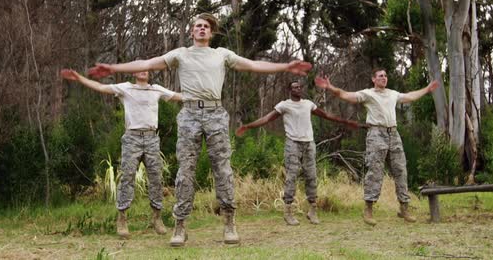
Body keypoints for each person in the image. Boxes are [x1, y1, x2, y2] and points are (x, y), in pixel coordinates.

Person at [88, 13, 312, 246]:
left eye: (206, 26)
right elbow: (147, 63)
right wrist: (112, 67)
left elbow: (254, 65)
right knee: (185, 171)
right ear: (192, 31)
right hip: (189, 115)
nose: (202, 29)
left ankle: (229, 224)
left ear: (211, 32)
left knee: (222, 169)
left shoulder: (221, 54)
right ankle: (180, 226)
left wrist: (286, 65)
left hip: (215, 114)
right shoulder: (181, 54)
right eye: (198, 26)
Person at [60, 69, 182, 239]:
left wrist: (204, 92)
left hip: (152, 138)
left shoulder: (156, 90)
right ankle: (122, 219)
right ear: (134, 72)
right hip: (132, 139)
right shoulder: (125, 88)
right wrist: (79, 78)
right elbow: (101, 87)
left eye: (145, 68)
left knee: (156, 179)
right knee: (127, 178)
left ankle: (157, 218)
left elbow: (179, 96)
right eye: (138, 68)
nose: (142, 71)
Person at [315, 69, 439, 226]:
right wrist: (330, 87)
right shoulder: (368, 94)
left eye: (386, 76)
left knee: (401, 170)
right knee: (375, 171)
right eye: (380, 76)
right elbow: (346, 95)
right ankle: (368, 210)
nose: (384, 78)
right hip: (376, 134)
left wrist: (427, 89)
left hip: (393, 134)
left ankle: (404, 208)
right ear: (373, 79)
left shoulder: (392, 94)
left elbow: (410, 96)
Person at [235, 80, 359, 226]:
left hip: (309, 143)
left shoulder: (308, 104)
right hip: (293, 144)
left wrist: (345, 121)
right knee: (291, 177)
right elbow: (267, 118)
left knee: (311, 176)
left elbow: (325, 115)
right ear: (290, 90)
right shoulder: (284, 105)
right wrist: (248, 126)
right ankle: (288, 212)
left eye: (300, 87)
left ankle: (312, 211)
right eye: (294, 87)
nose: (298, 89)